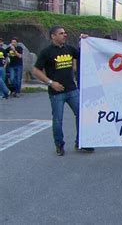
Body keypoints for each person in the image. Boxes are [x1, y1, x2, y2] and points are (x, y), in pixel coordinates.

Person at [32, 26, 94, 156]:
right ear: (53, 36)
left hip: (72, 90)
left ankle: (81, 143)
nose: (64, 35)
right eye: (61, 33)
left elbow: (84, 54)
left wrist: (84, 41)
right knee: (57, 120)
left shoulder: (69, 49)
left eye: (65, 33)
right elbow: (36, 71)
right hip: (56, 93)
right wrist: (50, 83)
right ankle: (59, 145)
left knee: (81, 116)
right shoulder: (46, 52)